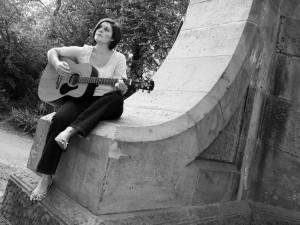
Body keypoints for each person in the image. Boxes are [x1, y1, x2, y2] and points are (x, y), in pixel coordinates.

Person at [30, 18, 128, 201]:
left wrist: (123, 87)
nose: (100, 30)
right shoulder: (83, 51)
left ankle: (70, 131)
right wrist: (57, 64)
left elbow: (121, 85)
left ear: (113, 38)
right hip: (81, 98)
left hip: (104, 102)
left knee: (115, 98)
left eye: (106, 30)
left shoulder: (119, 58)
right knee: (59, 118)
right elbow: (53, 51)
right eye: (100, 26)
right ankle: (46, 177)